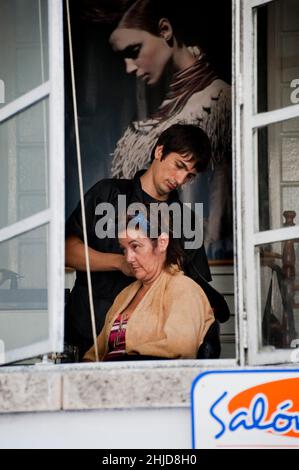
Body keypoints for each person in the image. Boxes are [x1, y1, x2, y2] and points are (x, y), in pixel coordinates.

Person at [65, 124, 229, 360]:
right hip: (88, 336)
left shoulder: (187, 222)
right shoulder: (107, 195)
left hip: (147, 349)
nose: (180, 179)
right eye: (179, 166)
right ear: (159, 151)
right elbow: (64, 252)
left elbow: (193, 288)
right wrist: (119, 262)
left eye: (189, 175)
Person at [107, 0, 232, 259]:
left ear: (165, 30)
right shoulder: (156, 111)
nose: (130, 67)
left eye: (134, 50)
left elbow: (222, 188)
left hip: (190, 257)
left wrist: (207, 243)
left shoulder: (215, 100)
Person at [83, 210, 215, 361]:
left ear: (162, 243)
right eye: (124, 249)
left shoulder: (183, 288)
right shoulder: (125, 295)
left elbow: (181, 348)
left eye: (135, 246)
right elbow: (95, 354)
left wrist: (122, 359)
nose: (128, 258)